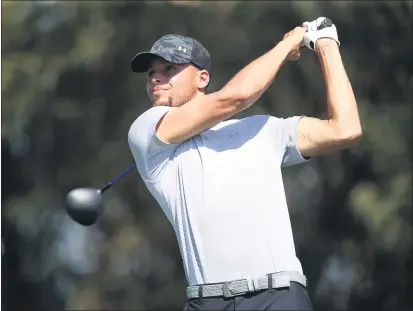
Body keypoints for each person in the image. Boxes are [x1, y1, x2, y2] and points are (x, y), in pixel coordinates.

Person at [127, 17, 362, 311]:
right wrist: (288, 44)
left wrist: (326, 44)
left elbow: (345, 129)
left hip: (279, 296)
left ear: (202, 79)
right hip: (206, 301)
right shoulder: (146, 130)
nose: (155, 79)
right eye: (151, 74)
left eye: (169, 69)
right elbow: (236, 97)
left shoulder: (264, 129)